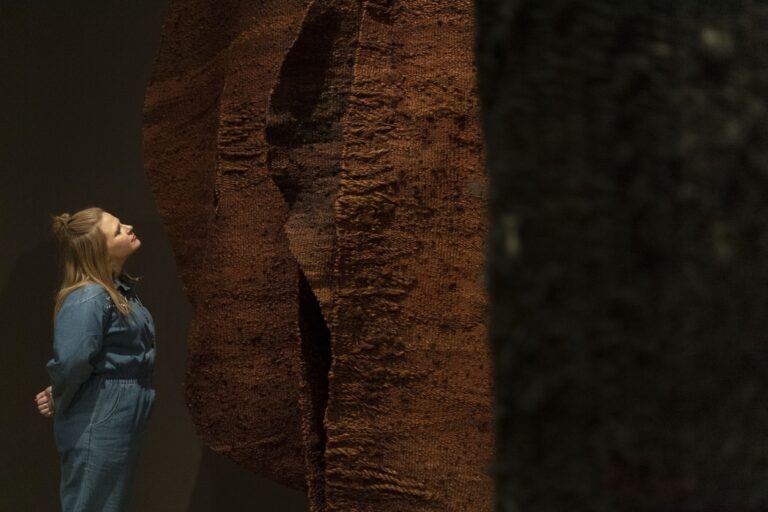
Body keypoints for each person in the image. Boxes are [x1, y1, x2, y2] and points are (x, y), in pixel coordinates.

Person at [33, 206, 156, 512]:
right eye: (117, 230)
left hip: (118, 408)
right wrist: (58, 394)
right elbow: (73, 362)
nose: (127, 227)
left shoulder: (119, 292)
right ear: (100, 252)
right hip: (101, 411)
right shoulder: (88, 298)